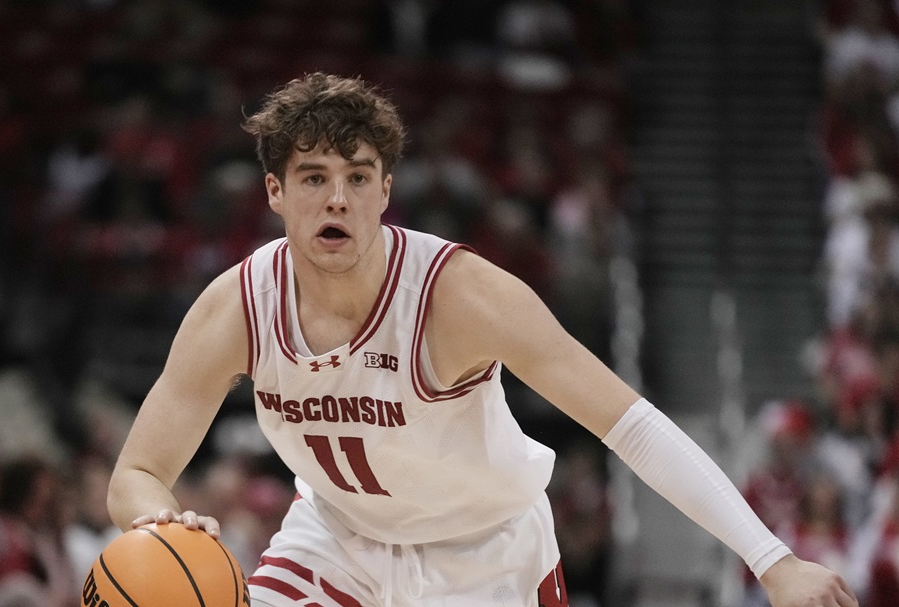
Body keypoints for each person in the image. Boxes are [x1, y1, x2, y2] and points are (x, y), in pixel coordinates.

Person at [108, 72, 859, 607]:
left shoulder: (459, 295)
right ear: (274, 192)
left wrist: (774, 560)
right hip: (335, 540)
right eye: (311, 177)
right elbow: (138, 468)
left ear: (386, 189)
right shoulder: (236, 307)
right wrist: (159, 517)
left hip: (485, 556)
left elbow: (629, 424)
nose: (336, 197)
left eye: (358, 176)